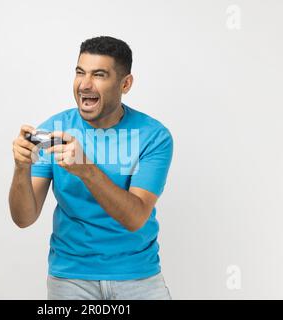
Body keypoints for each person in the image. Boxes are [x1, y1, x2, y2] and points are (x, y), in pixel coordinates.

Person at [9, 36, 173, 300]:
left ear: (125, 84)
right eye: (79, 72)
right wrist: (21, 168)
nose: (84, 84)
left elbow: (135, 218)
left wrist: (86, 169)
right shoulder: (55, 129)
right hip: (71, 277)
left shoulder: (153, 136)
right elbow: (24, 218)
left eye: (99, 74)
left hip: (138, 276)